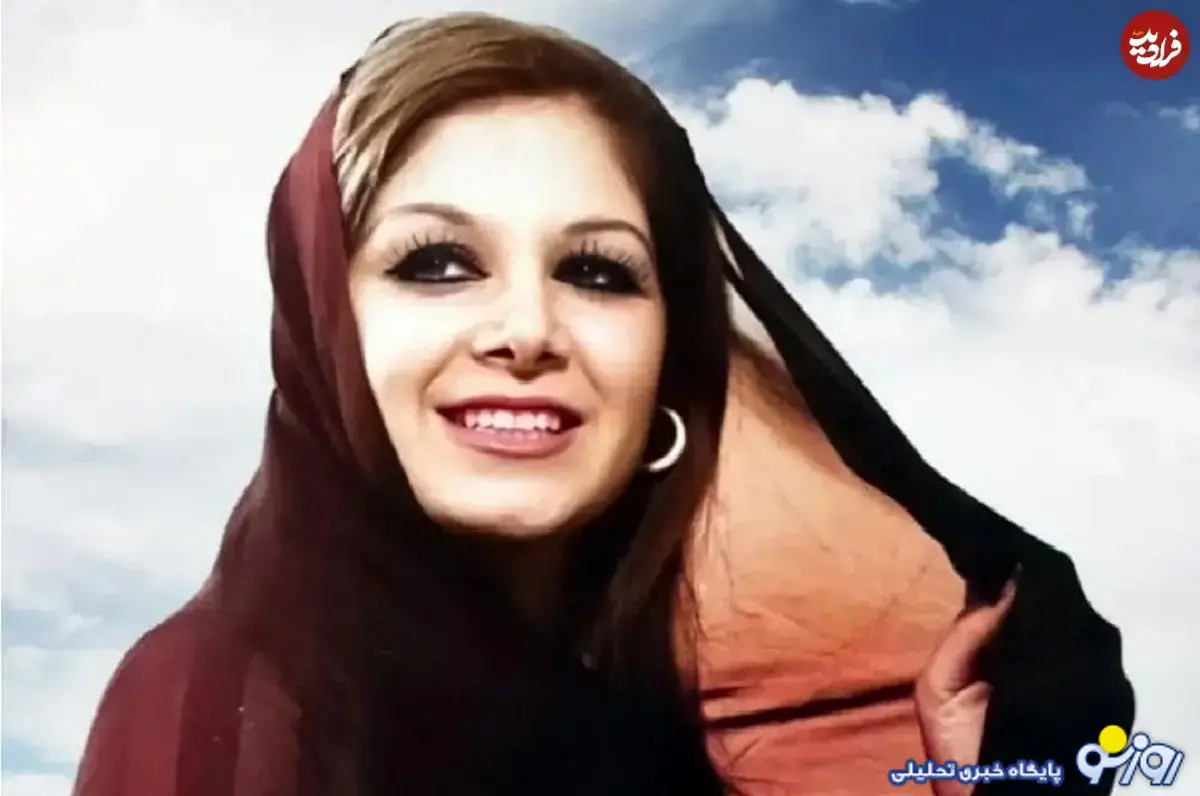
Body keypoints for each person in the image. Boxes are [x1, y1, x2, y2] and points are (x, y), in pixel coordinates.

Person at [72, 14, 1133, 796]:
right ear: (324, 323)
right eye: (436, 263)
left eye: (597, 272)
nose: (527, 329)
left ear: (673, 358)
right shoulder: (221, 710)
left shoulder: (631, 729)